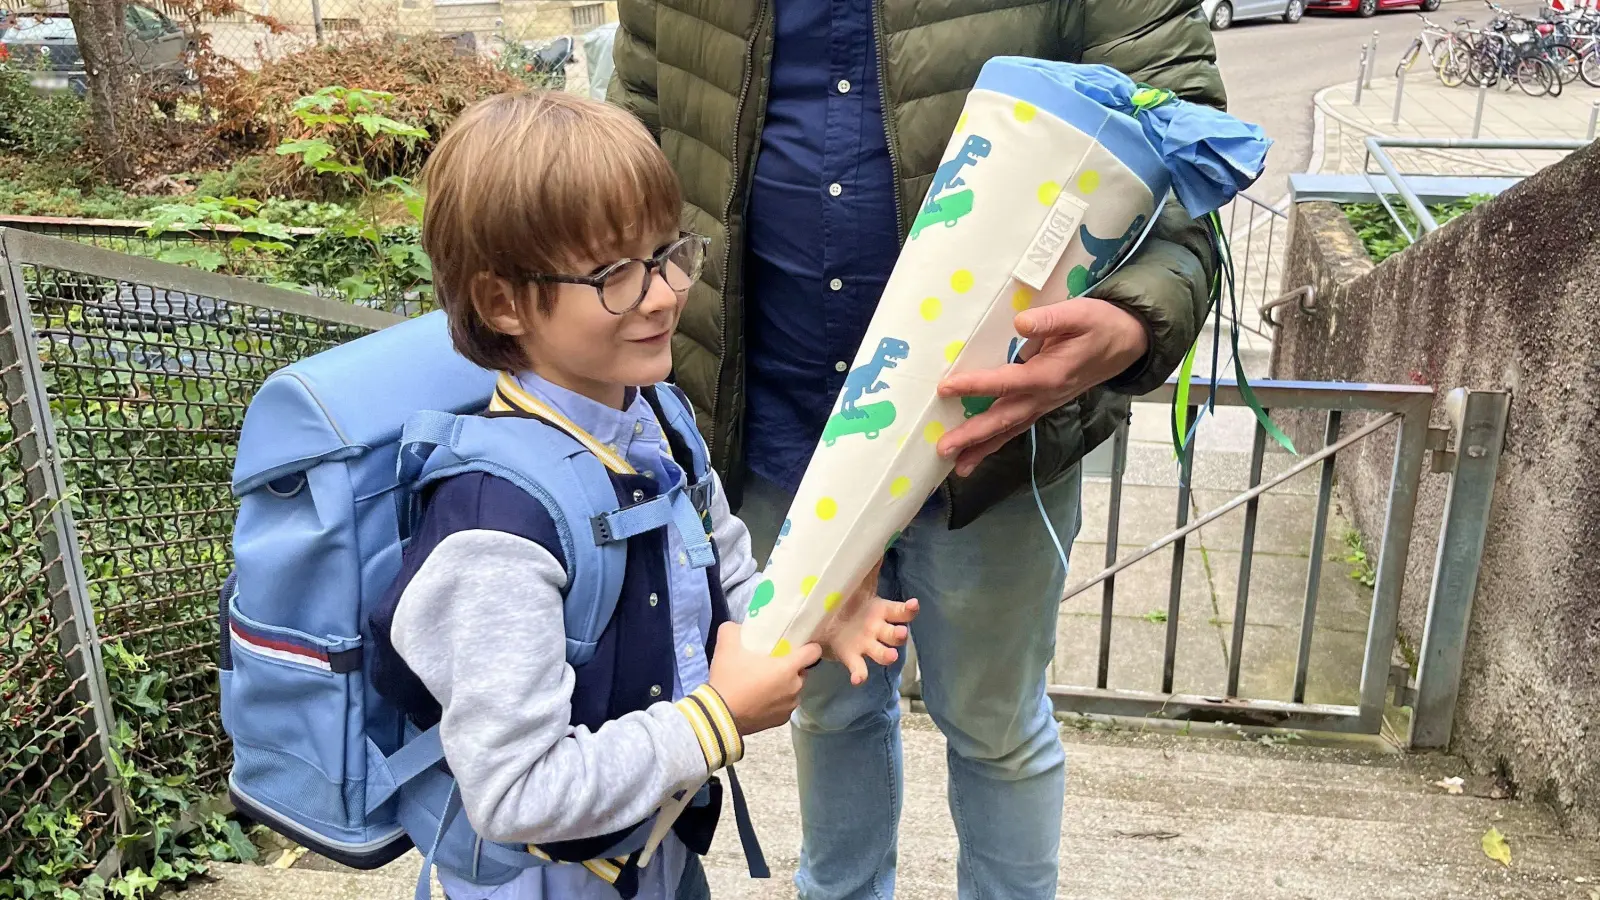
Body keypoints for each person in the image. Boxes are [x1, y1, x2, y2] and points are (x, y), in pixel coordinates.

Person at [608, 3, 1226, 897]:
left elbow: (1185, 138)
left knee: (994, 725)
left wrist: (1135, 317)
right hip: (775, 416)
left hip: (998, 422)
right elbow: (630, 138)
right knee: (827, 709)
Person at [367, 90, 919, 900]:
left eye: (666, 253)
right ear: (501, 302)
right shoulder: (493, 530)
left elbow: (723, 567)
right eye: (611, 274)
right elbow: (515, 793)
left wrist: (808, 610)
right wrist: (715, 721)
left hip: (650, 850)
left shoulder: (653, 415)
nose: (662, 294)